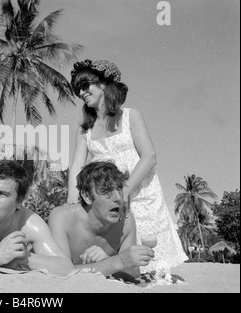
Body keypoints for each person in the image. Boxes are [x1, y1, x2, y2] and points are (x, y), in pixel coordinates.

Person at [66, 59, 187, 273]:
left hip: (141, 193)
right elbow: (76, 164)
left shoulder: (132, 116)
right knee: (116, 260)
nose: (81, 92)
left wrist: (126, 189)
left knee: (152, 265)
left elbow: (149, 156)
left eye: (85, 85)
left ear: (103, 83)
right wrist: (71, 199)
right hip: (108, 198)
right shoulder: (84, 130)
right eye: (78, 90)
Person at [49, 161, 155, 279]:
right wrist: (114, 263)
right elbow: (61, 272)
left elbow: (133, 273)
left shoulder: (126, 222)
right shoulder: (62, 218)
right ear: (87, 196)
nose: (118, 198)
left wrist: (108, 261)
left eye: (119, 189)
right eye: (106, 191)